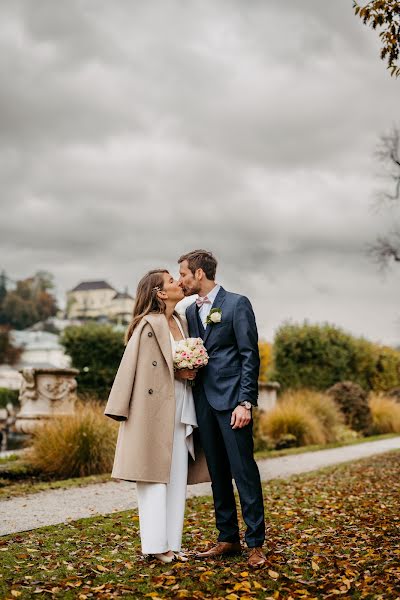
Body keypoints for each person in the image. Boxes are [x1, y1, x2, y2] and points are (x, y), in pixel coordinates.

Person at [104, 269, 209, 564]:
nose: (178, 282)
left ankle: (172, 544)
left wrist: (189, 372)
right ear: (160, 293)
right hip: (152, 412)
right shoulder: (147, 325)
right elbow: (135, 369)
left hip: (181, 406)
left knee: (176, 476)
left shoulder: (181, 320)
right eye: (172, 281)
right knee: (153, 478)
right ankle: (154, 545)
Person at [178, 250, 266, 569]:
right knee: (217, 472)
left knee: (244, 471)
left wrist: (246, 402)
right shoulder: (189, 311)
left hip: (232, 403)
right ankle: (227, 538)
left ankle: (255, 543)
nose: (181, 280)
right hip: (203, 402)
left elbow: (249, 356)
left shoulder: (237, 304)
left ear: (200, 273)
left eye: (184, 274)